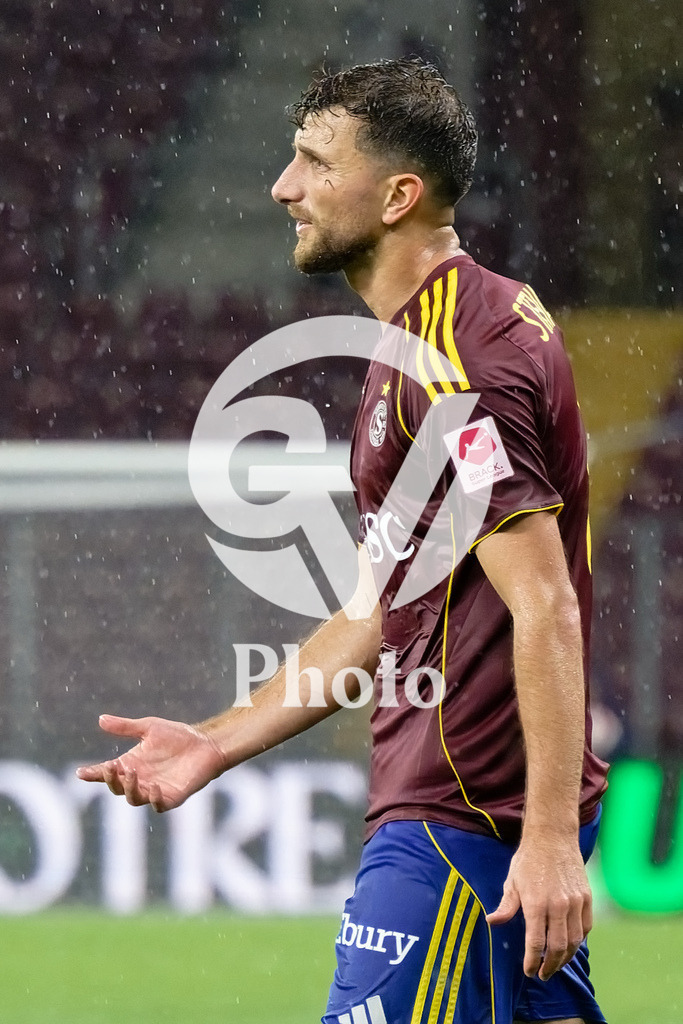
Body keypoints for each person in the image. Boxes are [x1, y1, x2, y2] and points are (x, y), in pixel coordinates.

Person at [77, 58, 609, 1024]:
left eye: (316, 164)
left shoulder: (452, 363)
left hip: (462, 824)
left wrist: (545, 839)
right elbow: (381, 603)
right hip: (475, 820)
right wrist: (215, 742)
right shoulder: (427, 339)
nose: (284, 187)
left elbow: (543, 602)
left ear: (398, 195)